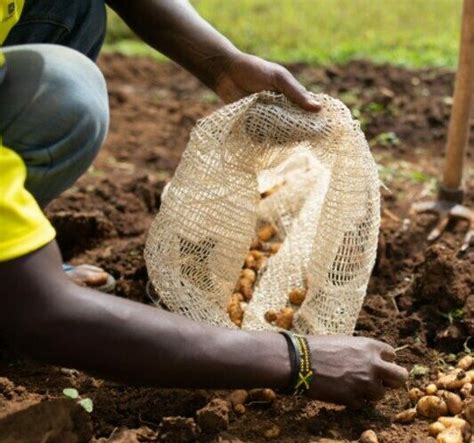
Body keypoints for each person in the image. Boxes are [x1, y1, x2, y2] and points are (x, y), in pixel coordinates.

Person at [0, 0, 407, 407]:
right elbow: (43, 315)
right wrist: (299, 359)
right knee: (68, 93)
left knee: (72, 7)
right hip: (34, 308)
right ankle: (14, 265)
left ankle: (20, 249)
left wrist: (222, 63)